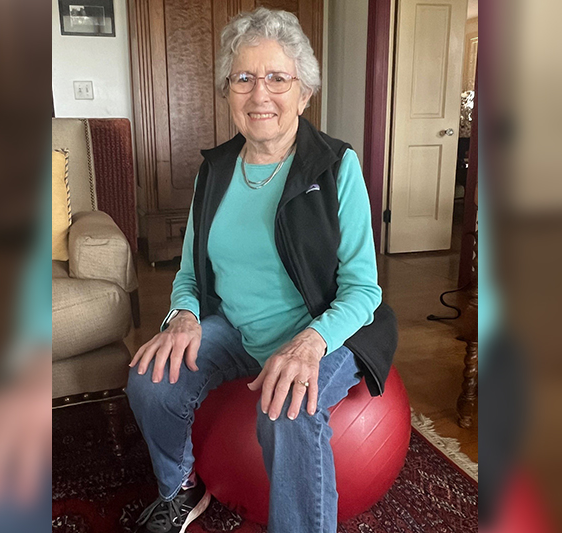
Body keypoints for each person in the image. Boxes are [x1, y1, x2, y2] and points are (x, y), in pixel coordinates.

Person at [126, 7, 397, 533]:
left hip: (328, 333)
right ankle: (180, 487)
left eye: (277, 77)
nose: (259, 94)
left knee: (287, 411)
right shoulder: (215, 170)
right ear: (228, 91)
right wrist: (182, 315)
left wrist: (308, 344)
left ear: (304, 92)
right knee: (149, 380)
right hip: (237, 326)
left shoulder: (337, 167)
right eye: (244, 78)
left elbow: (363, 289)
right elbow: (189, 273)